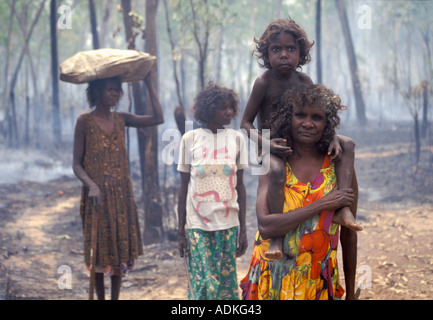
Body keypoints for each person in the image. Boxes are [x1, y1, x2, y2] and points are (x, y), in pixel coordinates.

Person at [240, 18, 361, 260]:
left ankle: (344, 208)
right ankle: (276, 238)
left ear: (301, 53)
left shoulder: (304, 82)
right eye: (276, 49)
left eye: (290, 49)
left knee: (347, 144)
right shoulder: (263, 83)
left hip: (301, 141)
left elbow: (319, 113)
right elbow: (245, 123)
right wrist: (266, 143)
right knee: (275, 172)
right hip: (270, 148)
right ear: (266, 53)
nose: (283, 55)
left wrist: (333, 137)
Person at [240, 84, 358, 300]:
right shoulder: (273, 162)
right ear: (288, 118)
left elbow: (349, 235)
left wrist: (350, 293)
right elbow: (266, 226)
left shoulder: (337, 166)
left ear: (328, 124)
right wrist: (323, 204)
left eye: (317, 118)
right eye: (300, 115)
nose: (307, 123)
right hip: (273, 279)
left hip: (317, 282)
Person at [72, 74, 164, 300]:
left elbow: (157, 118)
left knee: (119, 250)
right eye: (108, 89)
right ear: (96, 92)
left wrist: (148, 85)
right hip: (96, 197)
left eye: (116, 89)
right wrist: (91, 185)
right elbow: (76, 164)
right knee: (99, 252)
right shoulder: (84, 121)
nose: (113, 93)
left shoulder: (122, 118)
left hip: (121, 195)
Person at [177, 83, 249, 300]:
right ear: (208, 110)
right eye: (222, 107)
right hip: (198, 226)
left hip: (228, 225)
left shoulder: (237, 139)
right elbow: (183, 187)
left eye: (230, 107)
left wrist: (243, 229)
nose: (229, 112)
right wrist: (181, 231)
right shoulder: (190, 140)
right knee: (203, 286)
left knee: (226, 288)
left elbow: (241, 187)